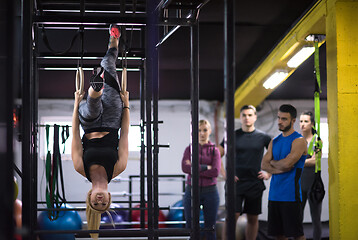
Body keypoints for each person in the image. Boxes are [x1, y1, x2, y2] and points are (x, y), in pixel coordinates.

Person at [71, 24, 130, 239]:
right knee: (108, 64)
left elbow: (75, 133)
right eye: (103, 203)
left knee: (91, 108)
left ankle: (95, 90)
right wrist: (126, 105)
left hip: (90, 123)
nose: (100, 201)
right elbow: (125, 135)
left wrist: (76, 104)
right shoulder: (118, 168)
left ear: (89, 197)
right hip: (114, 118)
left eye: (96, 203)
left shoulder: (80, 168)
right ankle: (113, 42)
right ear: (108, 197)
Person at [219, 105, 271, 240]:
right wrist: (225, 175)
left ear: (255, 117)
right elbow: (216, 155)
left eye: (249, 115)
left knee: (253, 219)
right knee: (231, 218)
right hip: (235, 184)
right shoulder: (231, 135)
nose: (247, 118)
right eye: (244, 115)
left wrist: (269, 173)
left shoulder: (263, 137)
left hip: (255, 183)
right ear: (240, 117)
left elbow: (276, 155)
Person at [261, 104, 307, 240]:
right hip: (274, 196)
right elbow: (263, 164)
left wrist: (273, 163)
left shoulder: (299, 141)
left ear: (293, 121)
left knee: (297, 234)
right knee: (279, 235)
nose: (280, 121)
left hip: (291, 196)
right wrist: (278, 166)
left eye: (284, 119)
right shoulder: (274, 141)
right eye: (279, 118)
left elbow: (288, 163)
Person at [182, 119, 221, 240]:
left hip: (210, 192)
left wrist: (194, 168)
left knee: (210, 228)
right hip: (192, 191)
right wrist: (205, 167)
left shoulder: (215, 150)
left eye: (205, 130)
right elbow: (185, 167)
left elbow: (215, 172)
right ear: (195, 132)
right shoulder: (189, 149)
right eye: (199, 130)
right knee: (191, 228)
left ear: (209, 131)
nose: (202, 133)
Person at [299, 111, 322, 240]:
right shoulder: (296, 140)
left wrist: (298, 162)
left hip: (314, 185)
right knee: (297, 218)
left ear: (312, 123)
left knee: (316, 219)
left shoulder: (317, 140)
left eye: (306, 121)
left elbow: (315, 160)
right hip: (299, 184)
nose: (302, 124)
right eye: (301, 121)